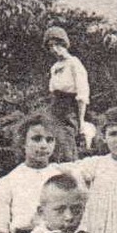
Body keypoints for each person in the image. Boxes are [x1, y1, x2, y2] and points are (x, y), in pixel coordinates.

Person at [43, 26, 90, 160]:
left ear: (65, 44)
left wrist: (80, 121)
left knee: (66, 145)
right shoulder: (54, 67)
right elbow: (52, 91)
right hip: (55, 107)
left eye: (57, 45)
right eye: (51, 46)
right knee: (54, 144)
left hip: (70, 109)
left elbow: (82, 94)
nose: (54, 50)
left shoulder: (74, 63)